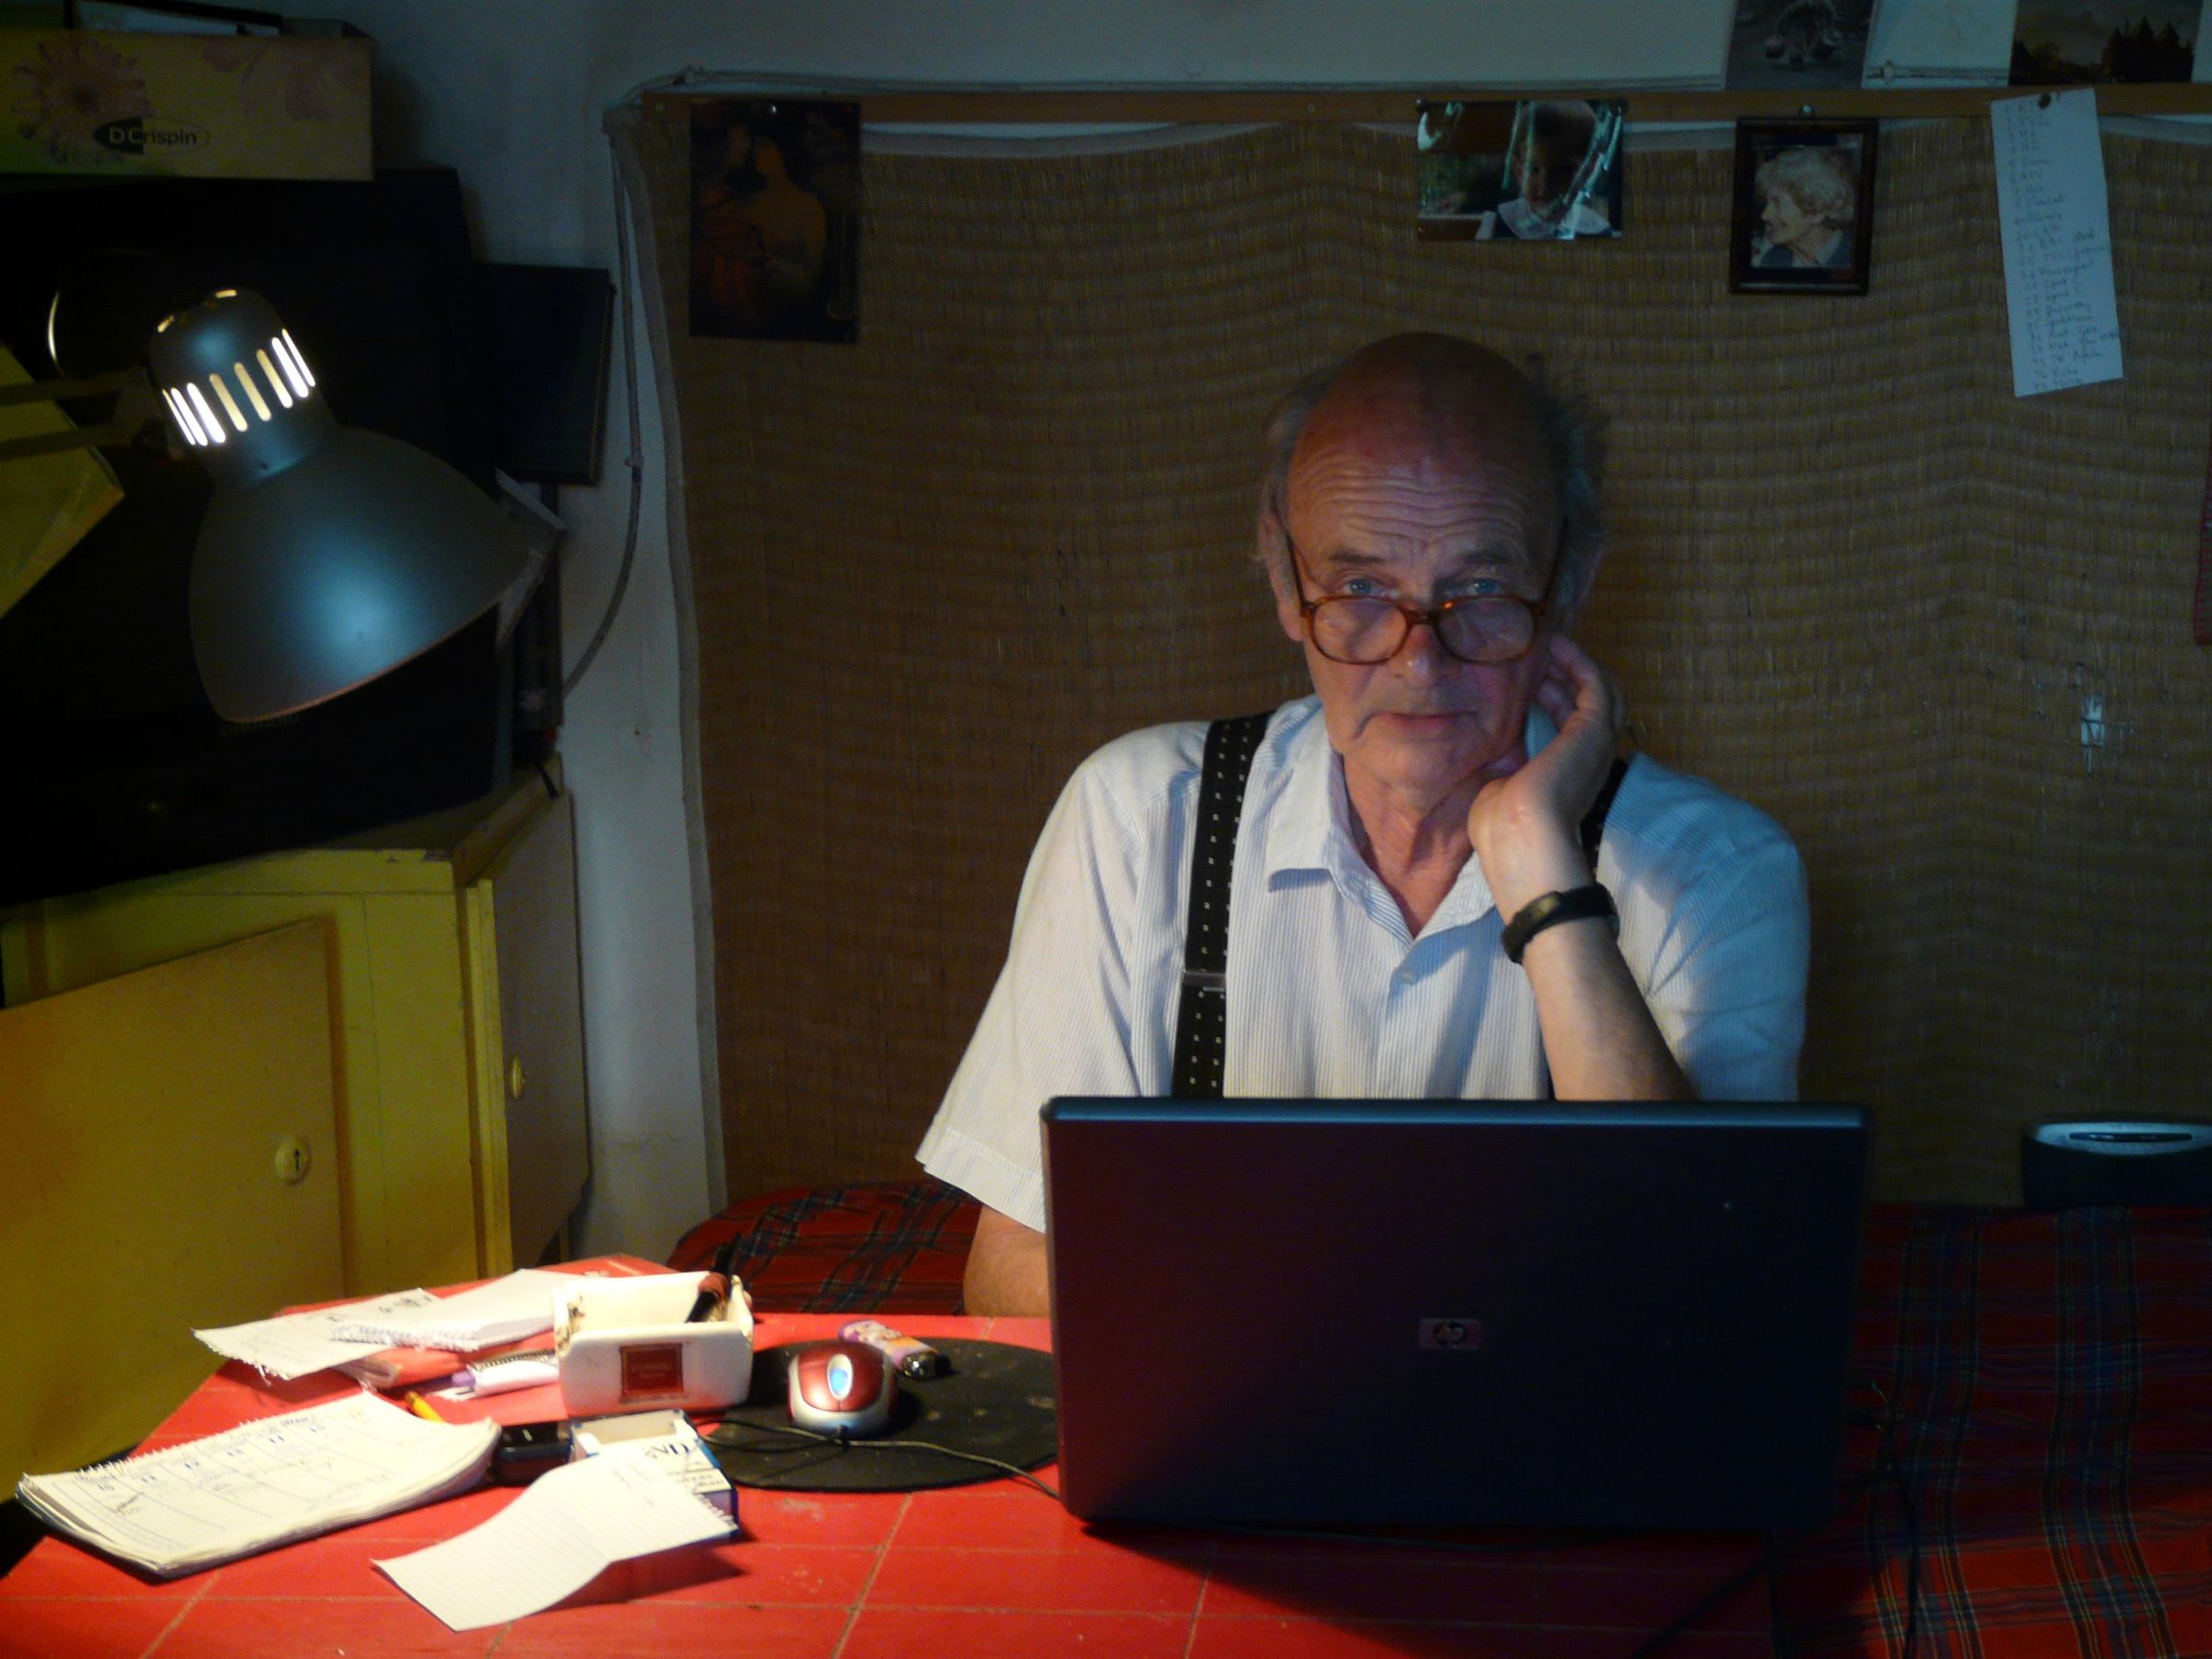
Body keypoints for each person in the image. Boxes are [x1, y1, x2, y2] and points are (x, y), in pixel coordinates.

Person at [918, 334, 1809, 1315]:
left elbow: (1708, 1296)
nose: (1419, 663)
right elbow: (1010, 1272)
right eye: (1359, 590)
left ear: (1569, 581)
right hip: (1235, 1409)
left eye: (1480, 590)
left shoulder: (1720, 869)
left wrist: (1544, 878)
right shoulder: (1136, 818)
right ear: (1282, 578)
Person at [1477, 100, 1615, 241]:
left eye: (1561, 171)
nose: (1545, 183)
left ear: (1588, 171)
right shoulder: (1498, 224)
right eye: (1534, 169)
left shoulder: (1595, 230)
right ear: (1518, 170)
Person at [1750, 146, 1856, 271]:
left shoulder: (1854, 257)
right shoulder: (1773, 260)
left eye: (1777, 203)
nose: (1765, 215)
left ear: (1817, 211)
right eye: (1767, 203)